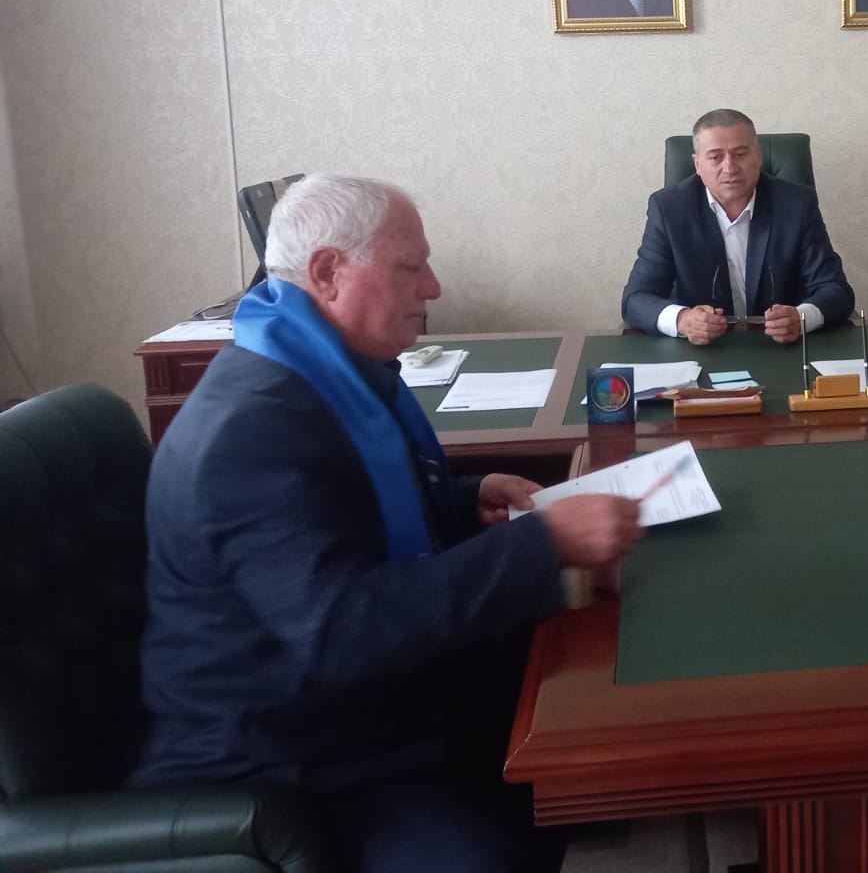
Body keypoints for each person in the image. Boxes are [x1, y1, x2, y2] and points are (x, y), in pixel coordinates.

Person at [131, 173, 643, 873]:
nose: (432, 287)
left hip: (353, 707)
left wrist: (465, 499)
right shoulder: (253, 431)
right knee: (558, 737)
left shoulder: (321, 371)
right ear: (327, 272)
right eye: (411, 267)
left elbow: (343, 513)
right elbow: (343, 631)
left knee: (589, 713)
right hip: (285, 756)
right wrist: (544, 543)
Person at [621, 108, 855, 345]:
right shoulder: (669, 209)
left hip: (779, 348)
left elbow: (836, 291)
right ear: (697, 164)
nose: (730, 167)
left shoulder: (796, 204)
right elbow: (635, 300)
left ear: (758, 156)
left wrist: (801, 318)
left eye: (740, 154)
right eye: (715, 157)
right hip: (701, 350)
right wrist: (683, 320)